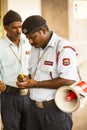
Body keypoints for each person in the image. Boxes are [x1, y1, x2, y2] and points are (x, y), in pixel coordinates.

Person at [16, 15, 78, 130]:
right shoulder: (35, 48)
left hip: (56, 111)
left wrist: (36, 84)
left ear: (43, 31)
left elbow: (68, 80)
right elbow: (35, 74)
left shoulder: (63, 48)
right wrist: (26, 79)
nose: (30, 42)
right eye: (28, 38)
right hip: (33, 109)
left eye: (33, 37)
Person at [0, 10, 31, 130]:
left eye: (20, 27)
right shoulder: (1, 46)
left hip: (29, 95)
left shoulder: (29, 42)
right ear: (5, 28)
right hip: (9, 96)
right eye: (14, 28)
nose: (19, 31)